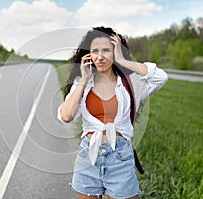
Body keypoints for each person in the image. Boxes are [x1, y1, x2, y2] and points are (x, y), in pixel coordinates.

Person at [57, 26, 168, 199]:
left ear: (115, 51)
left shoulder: (131, 82)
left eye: (106, 50)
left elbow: (160, 77)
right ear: (89, 54)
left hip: (120, 157)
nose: (100, 57)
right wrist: (84, 79)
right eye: (95, 51)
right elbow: (66, 116)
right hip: (88, 156)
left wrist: (122, 61)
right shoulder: (83, 83)